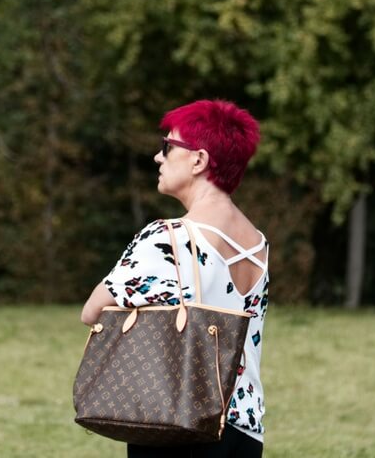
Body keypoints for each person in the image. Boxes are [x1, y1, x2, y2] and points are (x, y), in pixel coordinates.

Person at [81, 99, 268, 458]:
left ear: (198, 160)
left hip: (177, 422)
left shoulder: (168, 238)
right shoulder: (257, 244)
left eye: (168, 146)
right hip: (243, 427)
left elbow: (92, 311)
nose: (158, 157)